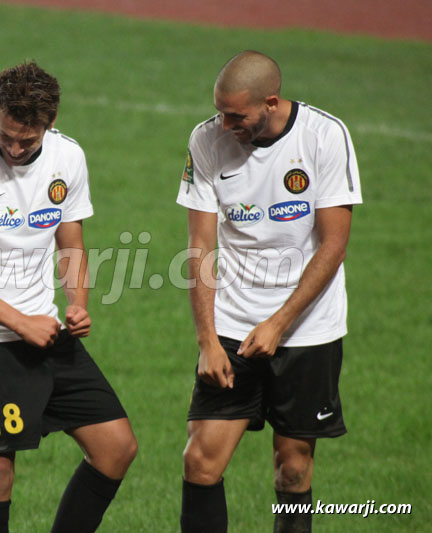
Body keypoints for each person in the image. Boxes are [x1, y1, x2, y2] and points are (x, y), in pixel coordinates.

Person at [0, 61, 138, 533]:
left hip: (43, 329)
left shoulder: (69, 158)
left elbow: (71, 240)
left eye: (29, 140)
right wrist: (20, 323)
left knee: (115, 447)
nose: (16, 149)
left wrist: (77, 302)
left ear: (51, 123)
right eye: (7, 136)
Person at [176, 50, 362, 532]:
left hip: (306, 331)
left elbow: (334, 245)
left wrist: (279, 324)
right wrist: (208, 340)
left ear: (271, 102)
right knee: (200, 462)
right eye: (220, 111)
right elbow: (200, 247)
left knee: (293, 468)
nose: (225, 124)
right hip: (233, 328)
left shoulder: (324, 136)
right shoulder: (206, 140)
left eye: (236, 115)